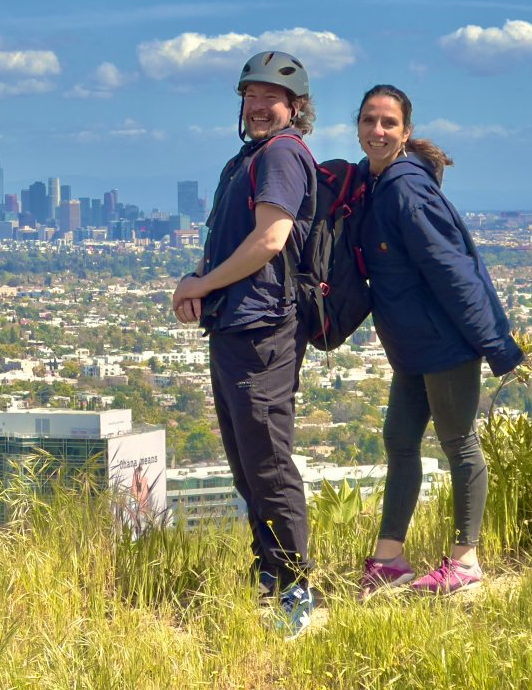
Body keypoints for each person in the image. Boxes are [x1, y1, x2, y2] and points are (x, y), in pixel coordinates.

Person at [353, 84, 523, 599]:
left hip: (444, 344)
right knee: (400, 442)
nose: (377, 131)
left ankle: (465, 563)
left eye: (388, 123)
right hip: (410, 346)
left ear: (404, 132)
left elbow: (454, 270)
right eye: (369, 121)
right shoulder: (375, 182)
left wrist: (496, 342)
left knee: (459, 445)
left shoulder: (405, 189)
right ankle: (389, 559)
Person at [172, 51, 317, 638]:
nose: (258, 107)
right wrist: (202, 287)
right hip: (238, 325)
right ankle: (270, 572)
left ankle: (297, 586)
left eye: (270, 99)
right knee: (245, 461)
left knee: (267, 460)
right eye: (250, 97)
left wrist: (203, 283)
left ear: (294, 108)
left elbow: (270, 239)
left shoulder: (281, 154)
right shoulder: (249, 157)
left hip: (263, 331)